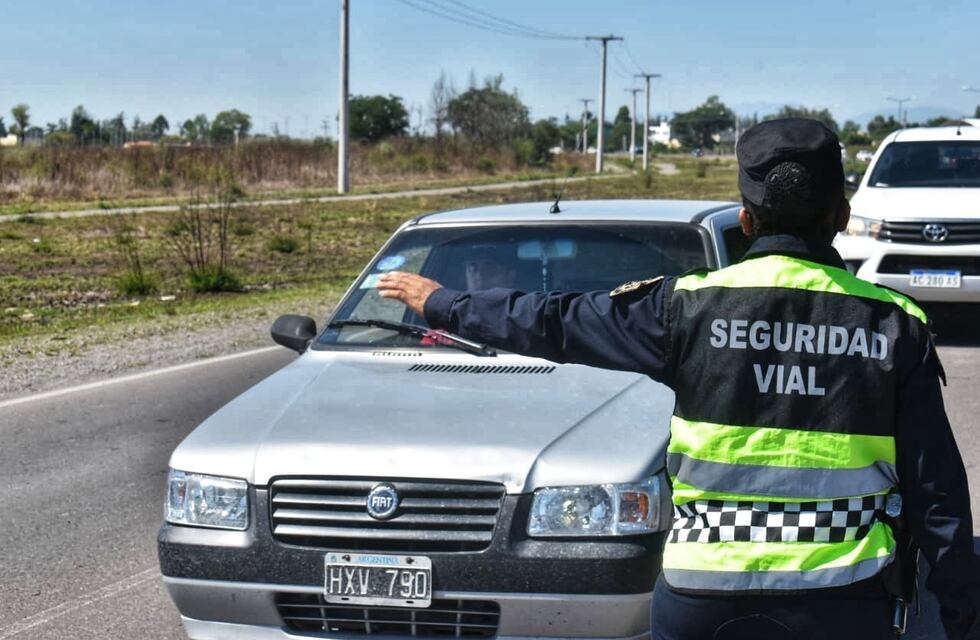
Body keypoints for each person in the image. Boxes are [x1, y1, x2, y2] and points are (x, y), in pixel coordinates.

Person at [377, 118, 979, 640]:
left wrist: (445, 304)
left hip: (701, 601)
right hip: (841, 600)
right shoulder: (893, 325)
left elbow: (553, 322)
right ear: (842, 216)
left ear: (745, 217)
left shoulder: (682, 307)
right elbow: (940, 498)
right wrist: (962, 615)